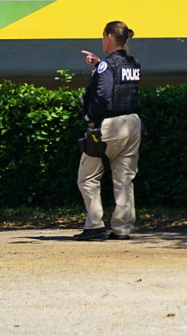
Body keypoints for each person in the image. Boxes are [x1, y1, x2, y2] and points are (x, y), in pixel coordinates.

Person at [73, 21, 143, 241]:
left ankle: (94, 225)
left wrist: (90, 117)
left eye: (103, 37)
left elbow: (103, 95)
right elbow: (118, 82)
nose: (102, 41)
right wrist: (98, 64)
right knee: (124, 178)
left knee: (88, 176)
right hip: (133, 123)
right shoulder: (132, 62)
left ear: (109, 37)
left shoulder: (107, 66)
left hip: (110, 125)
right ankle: (122, 228)